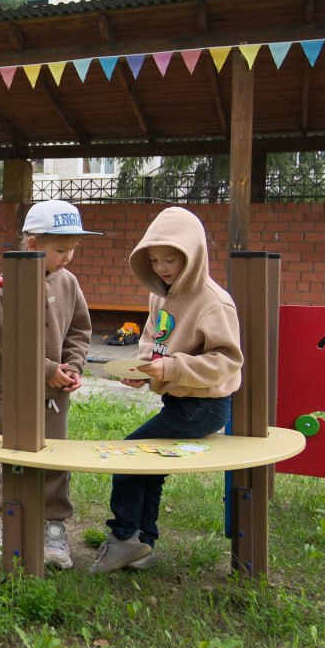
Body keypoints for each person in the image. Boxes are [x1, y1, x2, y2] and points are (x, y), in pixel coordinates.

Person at [90, 206, 244, 573]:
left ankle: (123, 538)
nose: (161, 267)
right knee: (150, 468)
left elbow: (227, 361)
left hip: (206, 404)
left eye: (171, 259)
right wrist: (144, 370)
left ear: (193, 255)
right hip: (178, 400)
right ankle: (144, 544)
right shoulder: (160, 294)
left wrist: (172, 368)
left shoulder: (213, 302)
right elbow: (152, 338)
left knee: (129, 456)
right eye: (155, 259)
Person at [0, 200, 97, 569]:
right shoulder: (8, 288)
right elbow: (9, 341)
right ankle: (12, 523)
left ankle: (52, 527)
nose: (69, 257)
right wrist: (47, 367)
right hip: (13, 391)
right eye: (61, 250)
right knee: (17, 457)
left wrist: (74, 366)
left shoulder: (68, 282)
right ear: (33, 245)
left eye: (74, 250)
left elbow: (80, 329)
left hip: (54, 392)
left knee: (55, 458)